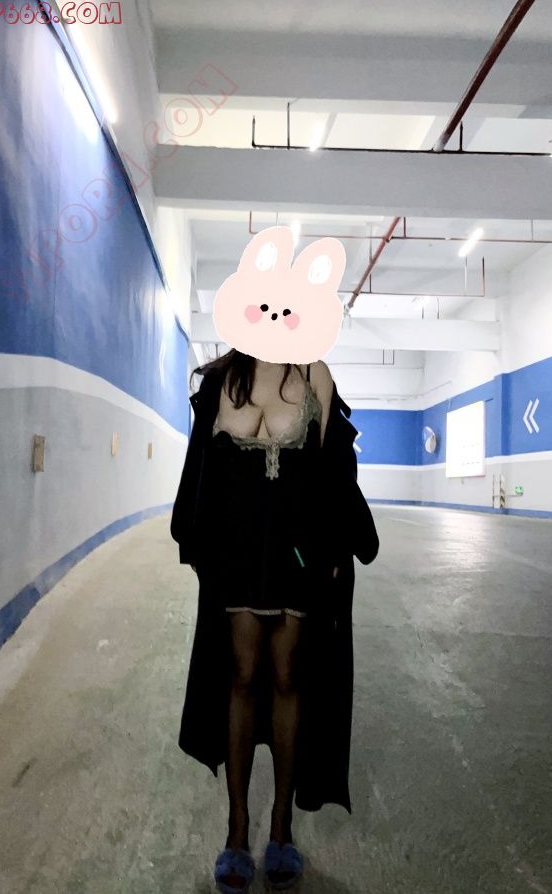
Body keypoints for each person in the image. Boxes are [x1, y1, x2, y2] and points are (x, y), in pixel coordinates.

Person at [171, 348, 379, 893]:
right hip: (237, 554)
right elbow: (202, 468)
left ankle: (281, 826)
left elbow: (333, 471)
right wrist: (196, 540)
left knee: (288, 677)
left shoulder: (315, 375)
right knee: (240, 677)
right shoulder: (221, 381)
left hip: (298, 553)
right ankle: (237, 830)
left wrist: (336, 550)